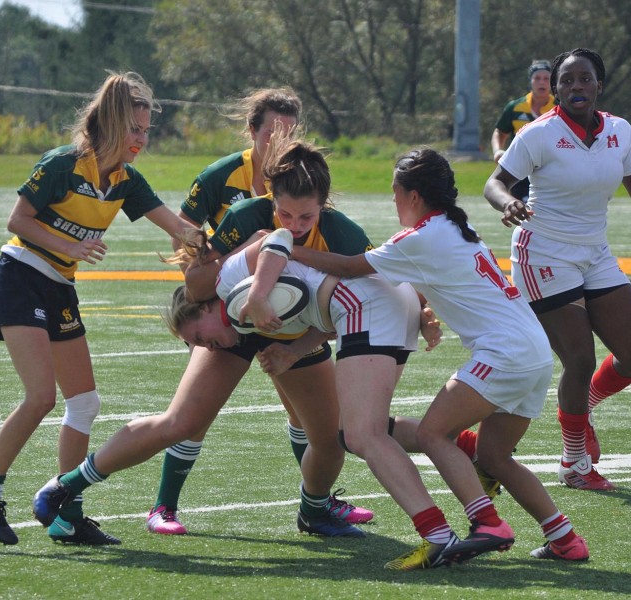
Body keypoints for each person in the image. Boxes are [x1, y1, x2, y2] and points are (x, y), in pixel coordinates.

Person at [31, 137, 381, 543]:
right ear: (270, 197)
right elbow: (196, 285)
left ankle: (314, 509)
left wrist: (295, 349)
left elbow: (359, 306)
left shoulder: (341, 232)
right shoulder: (248, 215)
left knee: (330, 439)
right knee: (183, 421)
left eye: (305, 217)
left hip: (294, 336)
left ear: (323, 204)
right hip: (232, 326)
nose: (294, 225)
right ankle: (67, 486)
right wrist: (251, 263)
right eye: (284, 213)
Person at [293, 148, 589, 565]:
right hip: (532, 352)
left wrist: (283, 249)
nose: (392, 200)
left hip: (504, 351)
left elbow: (349, 266)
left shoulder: (421, 237)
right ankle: (565, 539)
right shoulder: (450, 226)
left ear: (413, 196)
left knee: (435, 433)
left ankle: (487, 522)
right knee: (494, 457)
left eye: (395, 192)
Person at [166, 227, 510, 569]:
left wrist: (257, 296)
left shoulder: (232, 285)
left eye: (198, 337)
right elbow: (322, 300)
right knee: (353, 429)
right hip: (388, 302)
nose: (204, 348)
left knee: (361, 435)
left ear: (206, 304)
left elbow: (274, 238)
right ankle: (481, 500)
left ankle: (438, 535)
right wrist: (292, 352)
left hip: (365, 306)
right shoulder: (242, 308)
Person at [0, 71, 195, 546]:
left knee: (85, 402)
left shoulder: (128, 182)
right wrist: (70, 242)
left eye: (146, 131)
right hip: (20, 276)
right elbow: (18, 220)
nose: (142, 139)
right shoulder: (63, 164)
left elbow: (178, 227)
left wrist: (236, 246)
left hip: (59, 286)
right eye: (135, 129)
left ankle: (67, 512)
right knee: (40, 397)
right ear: (110, 124)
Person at [148, 88, 372, 536]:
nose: (282, 141)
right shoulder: (228, 180)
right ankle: (163, 506)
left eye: (290, 132)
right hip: (232, 311)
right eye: (273, 131)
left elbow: (358, 278)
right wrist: (207, 289)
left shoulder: (302, 188)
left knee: (309, 418)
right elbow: (187, 234)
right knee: (194, 413)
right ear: (253, 131)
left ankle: (319, 502)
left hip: (289, 316)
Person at [483, 48, 631, 492]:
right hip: (543, 254)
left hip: (594, 252)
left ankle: (585, 404)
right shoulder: (539, 133)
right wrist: (509, 203)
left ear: (600, 84)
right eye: (567, 81)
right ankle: (573, 463)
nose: (576, 87)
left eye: (585, 79)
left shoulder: (620, 130)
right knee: (579, 360)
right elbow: (495, 182)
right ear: (556, 89)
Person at [490, 59, 557, 202]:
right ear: (530, 81)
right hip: (519, 169)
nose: (542, 82)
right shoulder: (515, 107)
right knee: (522, 210)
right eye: (537, 78)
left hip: (550, 169)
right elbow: (500, 132)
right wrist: (497, 151)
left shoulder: (560, 107)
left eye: (546, 78)